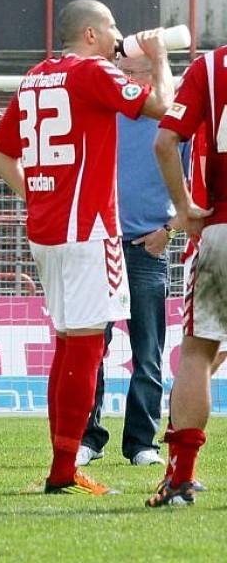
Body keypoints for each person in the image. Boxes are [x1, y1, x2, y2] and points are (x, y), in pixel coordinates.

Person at [0, 0, 173, 495]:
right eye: (111, 26)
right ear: (91, 34)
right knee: (87, 346)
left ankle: (63, 461)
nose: (119, 35)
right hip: (90, 230)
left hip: (47, 230)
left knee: (69, 343)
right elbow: (166, 111)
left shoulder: (33, 77)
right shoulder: (93, 72)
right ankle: (64, 470)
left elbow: (0, 149)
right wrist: (158, 60)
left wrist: (34, 192)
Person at [76, 54, 183, 469]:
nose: (123, 79)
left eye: (130, 73)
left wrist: (168, 232)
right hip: (98, 247)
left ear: (151, 76)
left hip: (146, 249)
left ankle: (142, 443)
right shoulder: (103, 117)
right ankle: (88, 438)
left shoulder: (173, 126)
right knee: (90, 349)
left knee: (148, 353)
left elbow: (195, 189)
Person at [146, 45, 227, 506]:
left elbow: (164, 141)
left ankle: (179, 480)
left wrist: (183, 208)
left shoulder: (211, 68)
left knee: (197, 353)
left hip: (220, 229)